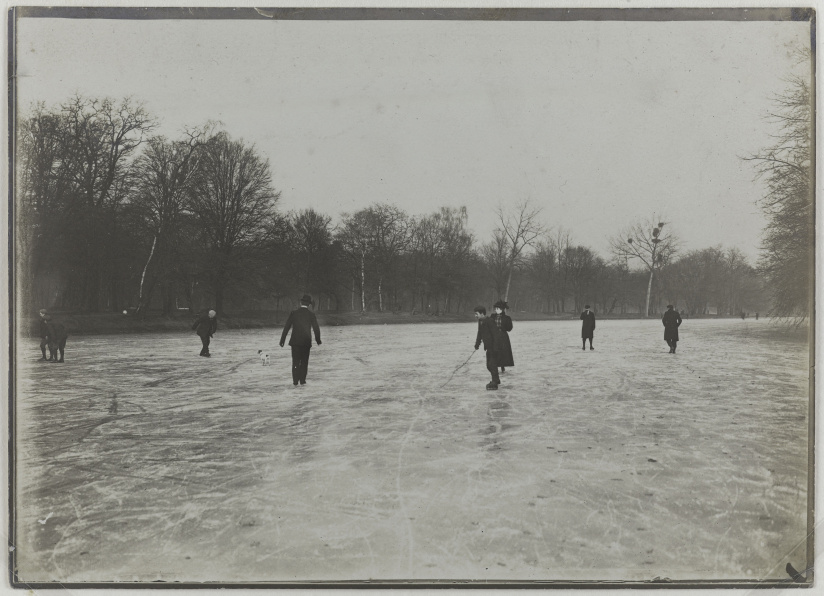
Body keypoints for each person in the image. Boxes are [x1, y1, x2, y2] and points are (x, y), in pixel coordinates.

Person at [280, 294, 322, 386]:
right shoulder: (311, 315)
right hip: (306, 342)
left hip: (295, 342)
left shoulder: (294, 313)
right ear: (309, 304)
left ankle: (295, 382)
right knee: (304, 362)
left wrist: (282, 340)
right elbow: (316, 328)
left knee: (295, 361)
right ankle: (302, 381)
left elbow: (286, 327)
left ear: (301, 302)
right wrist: (318, 340)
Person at [474, 305, 503, 390]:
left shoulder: (490, 321)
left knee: (492, 364)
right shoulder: (480, 321)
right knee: (489, 365)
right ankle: (496, 379)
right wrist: (477, 344)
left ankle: (494, 382)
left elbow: (495, 335)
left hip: (494, 347)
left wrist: (495, 347)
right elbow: (480, 333)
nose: (475, 316)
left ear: (482, 314)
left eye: (476, 314)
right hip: (489, 347)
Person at [491, 300, 514, 373]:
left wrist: (504, 327)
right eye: (496, 308)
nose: (496, 310)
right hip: (494, 336)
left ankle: (502, 367)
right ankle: (495, 368)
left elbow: (509, 328)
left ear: (502, 309)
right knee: (494, 351)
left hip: (503, 336)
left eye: (498, 309)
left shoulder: (507, 318)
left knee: (503, 352)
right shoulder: (492, 316)